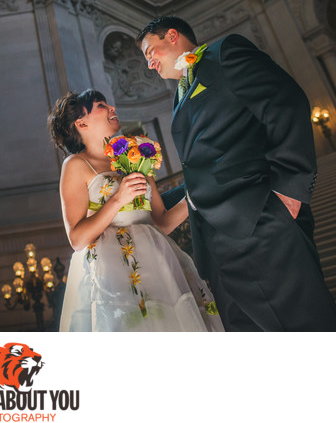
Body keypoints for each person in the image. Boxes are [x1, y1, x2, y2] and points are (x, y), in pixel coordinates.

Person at [137, 16, 336, 331]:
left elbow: (286, 102)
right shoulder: (181, 93)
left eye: (151, 51)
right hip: (216, 247)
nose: (150, 63)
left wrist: (289, 189)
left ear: (171, 35)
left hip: (259, 222)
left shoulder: (224, 54)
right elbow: (204, 170)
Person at [48, 89, 223, 332]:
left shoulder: (136, 156)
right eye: (101, 106)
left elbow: (161, 223)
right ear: (82, 122)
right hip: (113, 271)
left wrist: (195, 197)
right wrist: (118, 199)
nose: (112, 109)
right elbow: (77, 239)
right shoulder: (76, 165)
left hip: (158, 261)